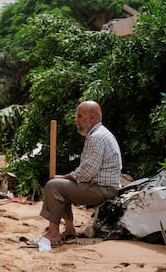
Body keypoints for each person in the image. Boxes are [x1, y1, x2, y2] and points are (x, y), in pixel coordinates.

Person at [40, 100, 122, 244]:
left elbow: (87, 173)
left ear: (91, 118)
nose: (76, 119)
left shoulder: (96, 137)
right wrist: (67, 178)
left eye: (79, 116)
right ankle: (70, 229)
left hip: (102, 189)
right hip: (103, 187)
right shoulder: (100, 133)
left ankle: (53, 234)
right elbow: (86, 171)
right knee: (61, 185)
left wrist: (66, 177)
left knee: (53, 186)